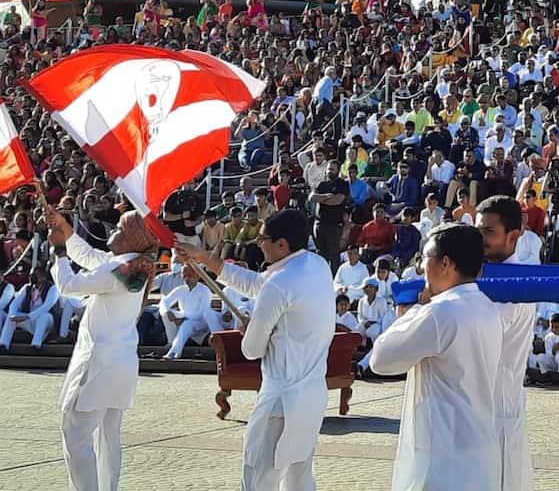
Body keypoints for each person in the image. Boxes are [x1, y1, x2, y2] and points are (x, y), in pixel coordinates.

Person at [176, 209, 334, 491]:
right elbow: (256, 284)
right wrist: (203, 258)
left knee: (259, 478)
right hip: (312, 396)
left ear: (282, 244)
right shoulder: (318, 265)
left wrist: (250, 328)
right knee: (300, 478)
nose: (257, 243)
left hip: (281, 400)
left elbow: (251, 349)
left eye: (262, 238)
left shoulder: (280, 283)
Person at [369, 223, 503, 491]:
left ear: (445, 263)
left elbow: (381, 360)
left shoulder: (440, 313)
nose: (421, 269)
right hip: (480, 446)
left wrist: (410, 313)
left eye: (424, 259)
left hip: (443, 453)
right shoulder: (489, 308)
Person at [43, 207, 158, 491]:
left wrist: (58, 251)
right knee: (108, 439)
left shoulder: (118, 269)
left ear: (132, 238)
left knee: (76, 435)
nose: (112, 232)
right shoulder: (130, 265)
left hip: (97, 365)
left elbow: (69, 285)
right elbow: (89, 257)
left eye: (119, 228)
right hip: (121, 365)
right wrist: (64, 227)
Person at [476, 195, 539, 490]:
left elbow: (477, 336)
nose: (480, 239)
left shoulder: (517, 285)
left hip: (499, 406)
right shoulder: (479, 276)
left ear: (514, 236)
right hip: (477, 406)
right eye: (478, 231)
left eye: (489, 232)